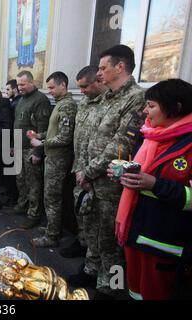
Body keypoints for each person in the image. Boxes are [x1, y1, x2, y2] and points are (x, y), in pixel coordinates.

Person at [72, 45, 146, 299]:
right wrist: (83, 170)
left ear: (120, 67)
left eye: (103, 67)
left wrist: (90, 171)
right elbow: (90, 135)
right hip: (91, 178)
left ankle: (111, 286)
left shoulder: (136, 98)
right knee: (92, 231)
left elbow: (120, 145)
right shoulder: (107, 96)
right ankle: (92, 271)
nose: (100, 73)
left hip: (110, 182)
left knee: (112, 240)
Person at [110, 79, 192, 300]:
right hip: (135, 233)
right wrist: (124, 176)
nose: (145, 111)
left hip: (164, 244)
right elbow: (141, 177)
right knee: (135, 293)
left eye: (151, 105)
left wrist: (154, 185)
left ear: (175, 108)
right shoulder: (150, 135)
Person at [60, 66, 107, 258]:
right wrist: (79, 167)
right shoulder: (86, 102)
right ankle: (81, 242)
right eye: (79, 87)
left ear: (98, 81)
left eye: (85, 86)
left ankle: (92, 255)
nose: (82, 91)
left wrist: (88, 170)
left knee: (97, 220)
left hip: (96, 171)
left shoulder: (108, 103)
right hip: (79, 165)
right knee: (80, 209)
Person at [30, 72, 77, 247]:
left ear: (63, 85)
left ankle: (52, 236)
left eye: (51, 87)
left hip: (58, 160)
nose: (49, 91)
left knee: (52, 197)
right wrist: (39, 135)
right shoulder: (60, 104)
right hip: (52, 158)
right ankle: (52, 227)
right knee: (49, 196)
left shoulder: (67, 106)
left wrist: (40, 142)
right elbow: (54, 132)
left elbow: (65, 137)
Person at [12, 70, 52, 229]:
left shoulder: (40, 100)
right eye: (18, 84)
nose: (19, 87)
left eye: (22, 84)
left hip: (31, 150)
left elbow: (43, 127)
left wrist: (37, 153)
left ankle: (33, 214)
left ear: (31, 82)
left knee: (33, 183)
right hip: (19, 147)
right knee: (20, 180)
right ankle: (22, 205)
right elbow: (18, 124)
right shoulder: (22, 99)